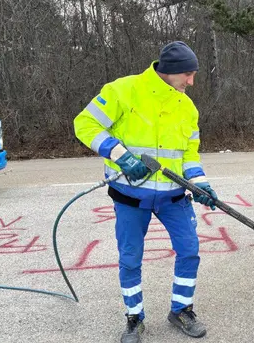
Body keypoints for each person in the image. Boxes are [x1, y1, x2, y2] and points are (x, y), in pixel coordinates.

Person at [74, 41, 216, 343]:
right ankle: (134, 317)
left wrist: (200, 183)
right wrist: (121, 155)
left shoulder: (186, 107)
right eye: (188, 75)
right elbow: (84, 123)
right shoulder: (123, 90)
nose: (191, 82)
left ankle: (181, 309)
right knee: (130, 258)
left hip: (174, 197)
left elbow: (189, 153)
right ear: (170, 72)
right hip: (129, 196)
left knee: (190, 251)